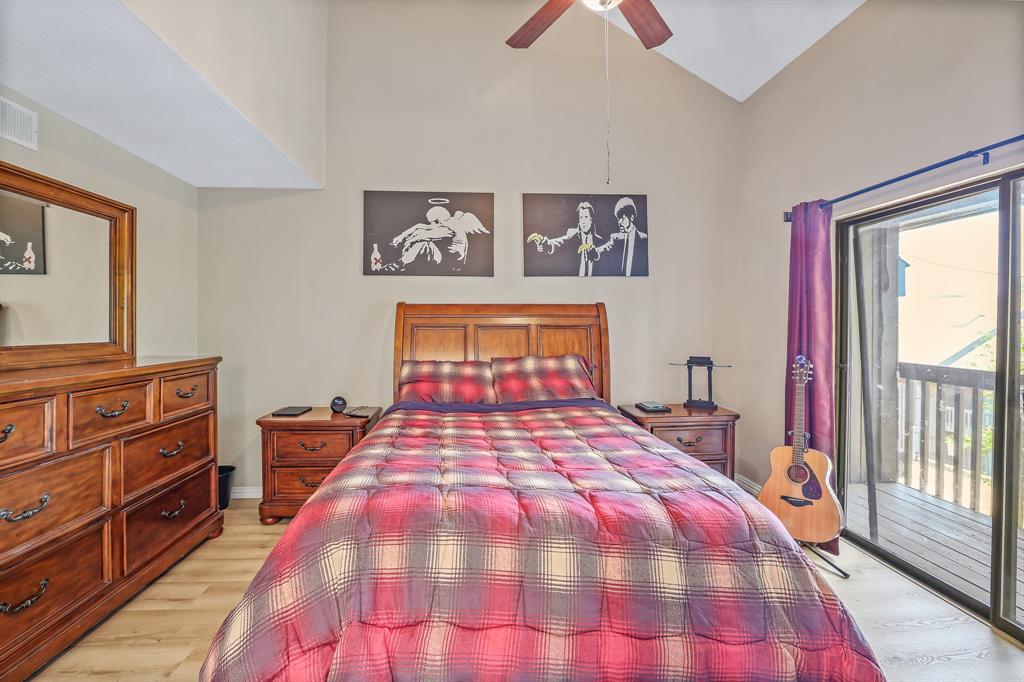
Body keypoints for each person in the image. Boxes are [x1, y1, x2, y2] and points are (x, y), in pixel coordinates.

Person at [527, 202, 610, 276]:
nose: (583, 221)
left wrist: (596, 253)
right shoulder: (573, 236)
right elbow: (561, 241)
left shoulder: (600, 241)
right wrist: (547, 244)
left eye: (586, 217)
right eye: (581, 217)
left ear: (591, 219)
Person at [605, 197, 647, 276]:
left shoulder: (644, 239)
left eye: (622, 218)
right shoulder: (615, 239)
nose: (619, 222)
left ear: (631, 217)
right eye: (618, 219)